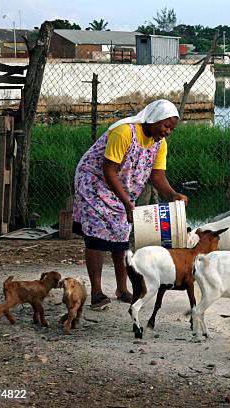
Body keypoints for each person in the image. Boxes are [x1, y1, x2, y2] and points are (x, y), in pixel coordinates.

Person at [72, 99, 188, 310]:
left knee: (121, 236)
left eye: (171, 128)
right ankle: (97, 293)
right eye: (166, 125)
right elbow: (108, 170)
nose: (168, 131)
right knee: (96, 237)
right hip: (94, 183)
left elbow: (158, 176)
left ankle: (122, 289)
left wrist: (173, 194)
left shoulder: (159, 144)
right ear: (153, 119)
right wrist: (126, 201)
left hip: (121, 190)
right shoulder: (124, 132)